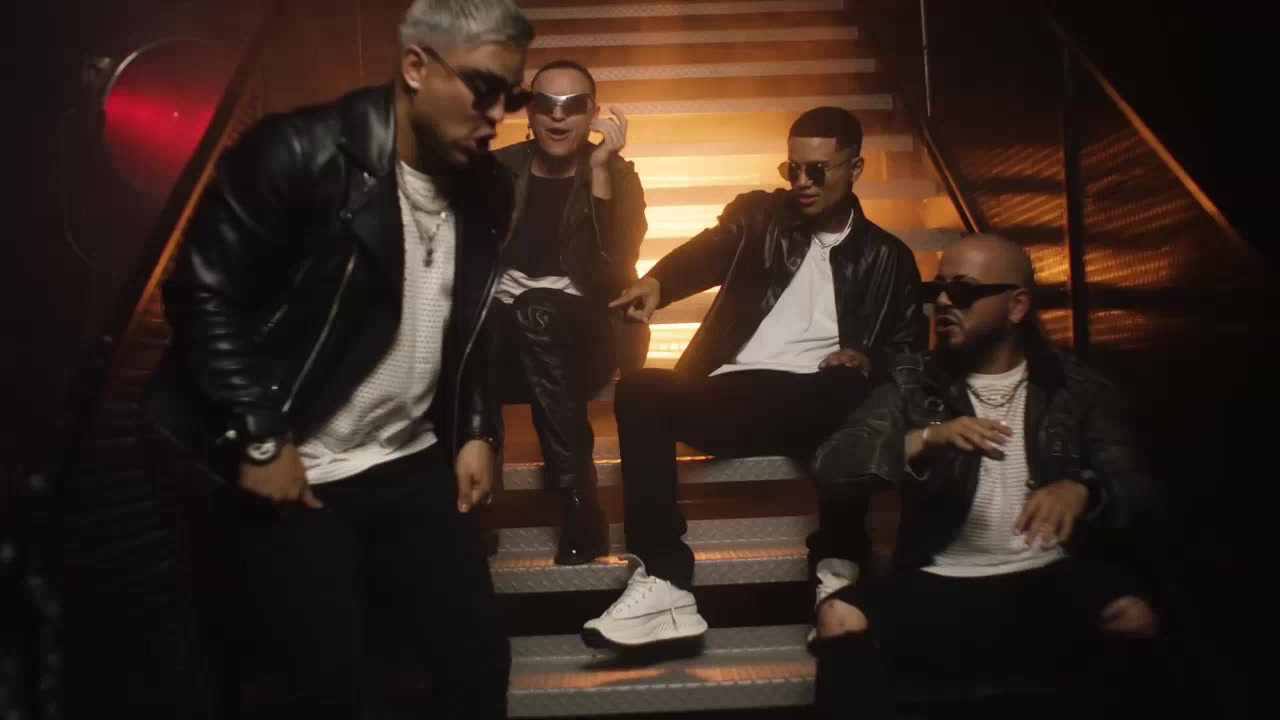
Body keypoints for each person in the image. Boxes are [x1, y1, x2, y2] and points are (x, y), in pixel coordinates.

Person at [143, 1, 533, 717]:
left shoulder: (488, 187)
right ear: (415, 65)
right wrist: (261, 434)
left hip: (409, 455)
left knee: (478, 663)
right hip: (302, 465)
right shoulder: (298, 153)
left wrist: (477, 426)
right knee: (327, 687)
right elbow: (201, 295)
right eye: (483, 88)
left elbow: (472, 320)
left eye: (513, 96)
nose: (498, 115)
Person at [582, 107, 927, 648]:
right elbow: (710, 249)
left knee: (854, 389)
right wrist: (658, 283)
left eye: (818, 170)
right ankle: (665, 582)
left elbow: (910, 353)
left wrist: (869, 362)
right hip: (734, 396)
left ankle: (838, 570)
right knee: (642, 389)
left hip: (819, 400)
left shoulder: (889, 257)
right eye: (793, 169)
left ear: (855, 168)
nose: (802, 182)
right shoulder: (760, 217)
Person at [810, 234, 1159, 718]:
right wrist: (925, 439)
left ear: (1017, 306)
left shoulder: (1075, 386)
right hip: (941, 582)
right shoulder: (912, 384)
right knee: (838, 615)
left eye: (964, 291)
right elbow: (832, 467)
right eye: (937, 290)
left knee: (1132, 613)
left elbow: (1139, 487)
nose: (944, 302)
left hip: (1045, 578)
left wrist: (1085, 489)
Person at [491, 60, 648, 565]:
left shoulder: (618, 176)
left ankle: (578, 499)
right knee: (477, 326)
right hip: (503, 340)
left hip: (587, 335)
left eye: (573, 106)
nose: (558, 117)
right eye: (546, 105)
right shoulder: (497, 171)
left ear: (593, 114)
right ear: (530, 113)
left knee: (533, 309)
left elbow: (612, 273)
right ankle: (476, 506)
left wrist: (599, 169)